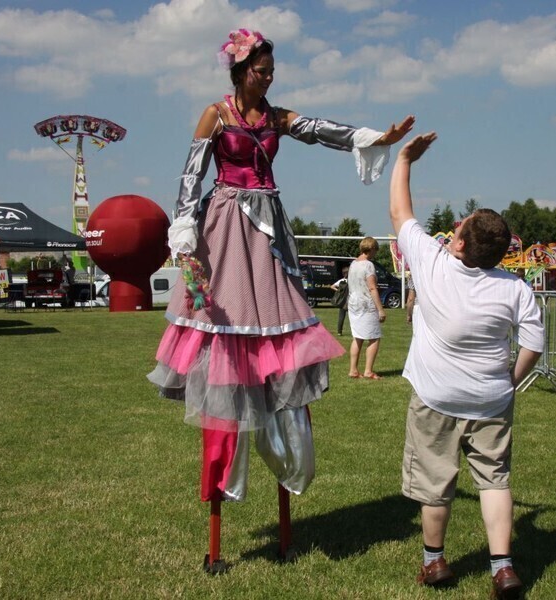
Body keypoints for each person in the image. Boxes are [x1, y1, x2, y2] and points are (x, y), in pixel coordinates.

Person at [146, 28, 413, 560]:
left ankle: (285, 457)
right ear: (240, 70)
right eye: (261, 71)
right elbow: (190, 179)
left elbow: (319, 130)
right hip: (226, 221)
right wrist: (184, 235)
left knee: (277, 321)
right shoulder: (216, 115)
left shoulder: (276, 117)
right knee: (227, 323)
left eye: (272, 72)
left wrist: (372, 137)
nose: (268, 78)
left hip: (269, 225)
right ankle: (222, 491)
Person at [390, 133, 544, 599]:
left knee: (436, 483)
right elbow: (534, 343)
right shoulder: (515, 288)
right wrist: (510, 381)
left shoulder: (433, 263)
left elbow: (400, 213)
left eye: (461, 225)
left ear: (458, 244)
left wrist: (404, 159)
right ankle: (503, 568)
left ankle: (434, 562)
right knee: (495, 482)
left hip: (436, 398)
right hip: (492, 399)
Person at [347, 236, 386, 379]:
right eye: (375, 250)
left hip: (353, 303)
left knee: (357, 337)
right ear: (372, 249)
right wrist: (380, 309)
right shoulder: (368, 265)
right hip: (366, 304)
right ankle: (368, 371)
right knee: (374, 338)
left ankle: (353, 370)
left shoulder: (353, 264)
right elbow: (372, 288)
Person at [330, 266, 349, 335]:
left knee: (341, 317)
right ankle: (355, 332)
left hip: (342, 301)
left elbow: (332, 286)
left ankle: (339, 331)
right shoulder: (352, 281)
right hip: (350, 301)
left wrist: (338, 290)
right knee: (353, 317)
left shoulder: (341, 281)